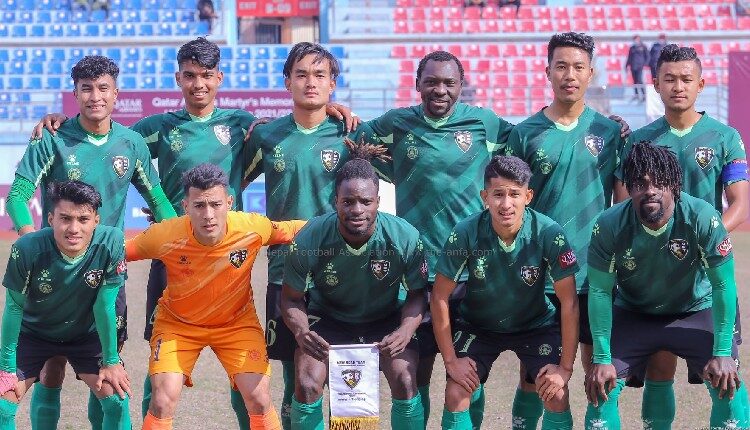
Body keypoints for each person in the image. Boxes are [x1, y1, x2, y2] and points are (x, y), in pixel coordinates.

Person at [30, 37, 358, 430]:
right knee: (160, 368)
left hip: (227, 260)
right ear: (178, 79)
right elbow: (105, 136)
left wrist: (330, 109)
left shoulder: (242, 126)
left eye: (206, 75)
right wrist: (61, 122)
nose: (198, 84)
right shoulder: (159, 127)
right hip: (172, 254)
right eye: (189, 76)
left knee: (246, 374)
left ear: (219, 78)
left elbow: (295, 129)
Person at [5, 54, 176, 429]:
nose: (95, 97)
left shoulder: (131, 143)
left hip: (107, 272)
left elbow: (159, 201)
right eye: (86, 89)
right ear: (75, 94)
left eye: (103, 88)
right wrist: (31, 241)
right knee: (50, 370)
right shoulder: (52, 139)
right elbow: (16, 197)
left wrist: (181, 239)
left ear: (116, 93)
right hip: (56, 271)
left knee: (106, 373)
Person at [364, 50, 514, 428]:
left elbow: (530, 139)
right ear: (418, 84)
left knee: (467, 373)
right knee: (415, 373)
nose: (440, 90)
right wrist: (335, 111)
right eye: (431, 82)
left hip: (471, 272)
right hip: (416, 271)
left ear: (461, 86)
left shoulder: (483, 122)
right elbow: (351, 138)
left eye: (449, 83)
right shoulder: (398, 122)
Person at [243, 41, 378, 430]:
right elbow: (230, 186)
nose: (310, 82)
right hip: (286, 271)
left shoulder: (351, 133)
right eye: (301, 74)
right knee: (296, 376)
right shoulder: (267, 136)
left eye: (320, 75)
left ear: (333, 84)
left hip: (346, 270)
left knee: (349, 376)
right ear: (287, 82)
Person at [613, 44, 749, 429]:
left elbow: (740, 203)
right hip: (651, 275)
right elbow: (623, 206)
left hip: (704, 275)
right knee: (660, 366)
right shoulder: (640, 141)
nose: (678, 86)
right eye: (669, 79)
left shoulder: (725, 137)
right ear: (655, 84)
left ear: (701, 84)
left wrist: (706, 238)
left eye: (686, 79)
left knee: (725, 374)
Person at [504, 32, 625, 430]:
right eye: (561, 66)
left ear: (591, 73)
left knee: (597, 370)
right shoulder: (525, 133)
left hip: (595, 271)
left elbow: (622, 204)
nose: (569, 75)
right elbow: (510, 206)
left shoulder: (610, 132)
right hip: (538, 273)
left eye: (578, 67)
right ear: (547, 72)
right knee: (537, 374)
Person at [126, 163, 305, 430]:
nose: (208, 214)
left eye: (215, 204)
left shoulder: (251, 227)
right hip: (178, 325)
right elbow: (116, 252)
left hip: (236, 324)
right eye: (199, 205)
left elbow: (294, 229)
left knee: (259, 398)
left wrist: (342, 225)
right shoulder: (165, 235)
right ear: (186, 206)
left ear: (229, 203)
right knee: (162, 400)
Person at [585, 141, 748, 429]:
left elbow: (723, 285)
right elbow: (599, 291)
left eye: (659, 182)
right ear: (629, 188)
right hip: (634, 312)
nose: (650, 190)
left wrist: (723, 352)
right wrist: (601, 357)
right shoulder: (608, 224)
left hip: (695, 309)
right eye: (640, 183)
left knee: (726, 381)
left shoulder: (702, 217)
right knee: (602, 387)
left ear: (674, 185)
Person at [280, 146, 428, 430]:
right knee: (307, 383)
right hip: (328, 322)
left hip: (385, 321)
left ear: (378, 201)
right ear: (335, 201)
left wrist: (405, 331)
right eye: (348, 201)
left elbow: (418, 294)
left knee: (406, 379)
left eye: (365, 201)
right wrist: (302, 331)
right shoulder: (310, 237)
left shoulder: (405, 237)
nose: (357, 210)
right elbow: (290, 298)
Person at [431, 155, 579, 429]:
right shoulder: (465, 232)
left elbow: (569, 301)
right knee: (456, 392)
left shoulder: (549, 233)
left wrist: (565, 369)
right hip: (478, 326)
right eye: (498, 194)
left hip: (535, 325)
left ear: (528, 196)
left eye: (514, 194)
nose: (506, 204)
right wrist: (451, 362)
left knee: (555, 393)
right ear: (485, 197)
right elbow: (439, 296)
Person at [0, 181, 131, 429]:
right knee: (2, 405)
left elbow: (104, 305)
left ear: (96, 220)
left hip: (86, 335)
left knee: (117, 399)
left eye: (83, 219)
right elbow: (14, 308)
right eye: (65, 218)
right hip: (34, 334)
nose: (74, 228)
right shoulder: (26, 248)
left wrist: (111, 361)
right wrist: (6, 368)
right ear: (51, 219)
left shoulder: (112, 241)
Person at [625, 35, 649, 102]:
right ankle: (636, 95)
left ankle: (644, 95)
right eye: (635, 39)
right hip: (633, 66)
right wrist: (626, 65)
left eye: (637, 39)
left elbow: (647, 56)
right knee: (635, 81)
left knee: (639, 80)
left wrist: (645, 63)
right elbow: (629, 57)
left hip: (639, 66)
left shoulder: (643, 46)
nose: (636, 41)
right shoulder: (632, 48)